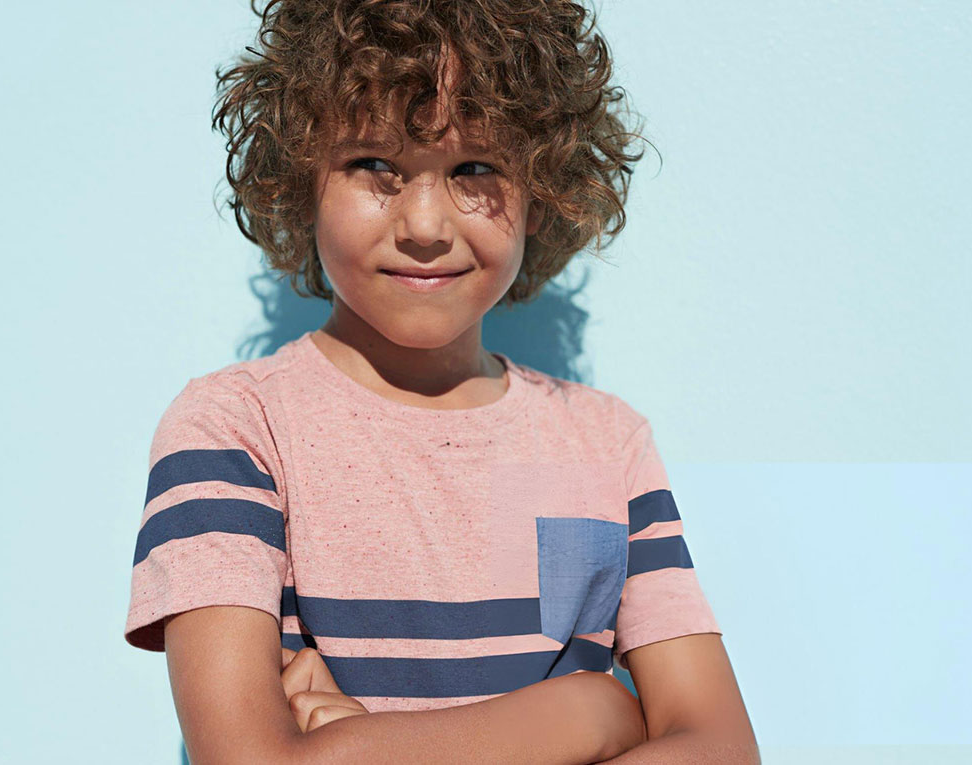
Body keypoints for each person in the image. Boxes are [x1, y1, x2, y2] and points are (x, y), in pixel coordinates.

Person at [124, 1, 758, 762]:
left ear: (546, 185)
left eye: (475, 168)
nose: (424, 224)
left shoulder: (607, 444)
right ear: (300, 174)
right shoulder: (236, 428)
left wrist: (363, 745)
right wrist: (590, 714)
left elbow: (720, 746)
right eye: (375, 166)